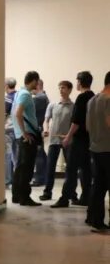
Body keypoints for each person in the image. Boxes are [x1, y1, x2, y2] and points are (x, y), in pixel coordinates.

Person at [51, 71, 95, 208]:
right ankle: (85, 197)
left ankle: (65, 198)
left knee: (71, 169)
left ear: (80, 82)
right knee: (86, 169)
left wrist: (68, 136)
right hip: (89, 139)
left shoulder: (82, 98)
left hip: (79, 140)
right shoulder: (93, 97)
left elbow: (76, 121)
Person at [39, 81, 74, 201]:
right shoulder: (53, 105)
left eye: (63, 88)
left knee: (70, 168)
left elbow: (74, 124)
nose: (61, 90)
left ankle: (72, 193)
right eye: (59, 88)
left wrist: (69, 136)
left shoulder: (73, 106)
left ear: (69, 90)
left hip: (67, 141)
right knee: (50, 167)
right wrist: (46, 129)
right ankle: (47, 192)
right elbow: (46, 120)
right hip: (54, 140)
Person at [11, 71, 42, 206]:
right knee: (27, 168)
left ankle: (16, 195)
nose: (38, 84)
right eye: (37, 81)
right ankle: (25, 197)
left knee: (20, 167)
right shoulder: (25, 95)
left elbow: (15, 113)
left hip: (20, 135)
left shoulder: (18, 93)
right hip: (27, 136)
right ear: (34, 81)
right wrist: (24, 133)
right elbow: (18, 113)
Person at [86, 71, 110, 232]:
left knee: (98, 186)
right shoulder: (108, 100)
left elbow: (88, 127)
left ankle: (95, 220)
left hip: (95, 148)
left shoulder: (92, 100)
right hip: (108, 148)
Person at [31, 79, 50, 186]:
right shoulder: (44, 97)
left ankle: (39, 178)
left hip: (37, 129)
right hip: (40, 128)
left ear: (37, 85)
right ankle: (43, 177)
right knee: (41, 154)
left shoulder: (39, 98)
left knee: (38, 155)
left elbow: (28, 111)